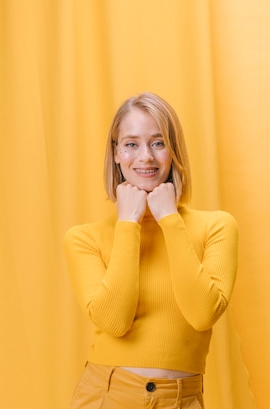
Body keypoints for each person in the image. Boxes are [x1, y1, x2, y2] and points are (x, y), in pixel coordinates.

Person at [63, 92, 238, 409]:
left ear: (173, 151)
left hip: (182, 399)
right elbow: (114, 321)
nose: (145, 157)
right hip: (107, 396)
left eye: (158, 143)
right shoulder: (84, 238)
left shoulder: (217, 227)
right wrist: (127, 224)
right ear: (116, 153)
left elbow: (202, 314)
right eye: (131, 144)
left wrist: (170, 219)